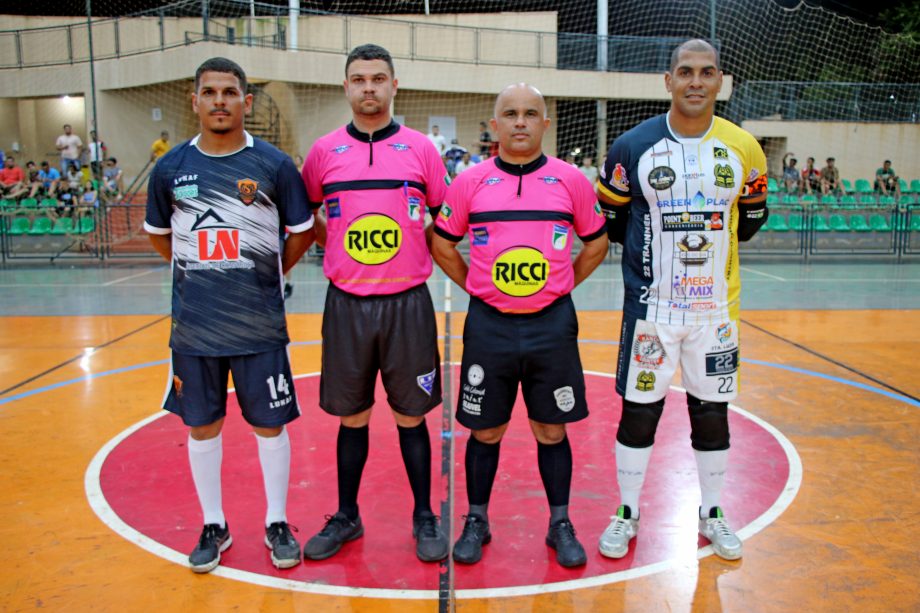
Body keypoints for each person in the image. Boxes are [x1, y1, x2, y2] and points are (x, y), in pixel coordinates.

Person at [595, 39, 769, 562]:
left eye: (707, 72)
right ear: (667, 81)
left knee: (711, 414)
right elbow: (614, 222)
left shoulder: (744, 148)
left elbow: (751, 221)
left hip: (716, 313)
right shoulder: (631, 147)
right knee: (638, 414)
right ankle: (627, 513)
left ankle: (712, 513)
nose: (696, 81)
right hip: (652, 313)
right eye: (685, 72)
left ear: (721, 81)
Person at [144, 57, 315, 574]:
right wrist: (198, 273)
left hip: (259, 324)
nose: (220, 100)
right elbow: (160, 236)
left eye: (230, 92)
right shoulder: (171, 168)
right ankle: (214, 524)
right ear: (194, 101)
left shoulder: (275, 166)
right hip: (194, 326)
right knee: (202, 426)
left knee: (270, 426)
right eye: (210, 92)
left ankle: (277, 522)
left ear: (246, 100)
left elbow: (303, 229)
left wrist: (265, 274)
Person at [431, 83, 609, 568]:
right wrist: (479, 288)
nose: (520, 122)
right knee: (485, 430)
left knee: (551, 429)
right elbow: (442, 243)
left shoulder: (571, 180)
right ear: (494, 124)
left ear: (545, 124)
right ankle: (476, 519)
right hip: (490, 326)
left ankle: (560, 523)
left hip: (551, 326)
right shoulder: (469, 182)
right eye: (510, 113)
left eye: (531, 113)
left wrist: (562, 282)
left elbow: (596, 243)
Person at [300, 44, 450, 563]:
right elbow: (310, 219)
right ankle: (347, 515)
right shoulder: (322, 153)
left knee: (412, 417)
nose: (369, 87)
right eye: (359, 79)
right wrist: (338, 244)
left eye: (378, 78)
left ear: (394, 85)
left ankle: (424, 515)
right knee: (353, 417)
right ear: (346, 87)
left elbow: (444, 222)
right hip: (346, 304)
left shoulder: (422, 150)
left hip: (407, 302)